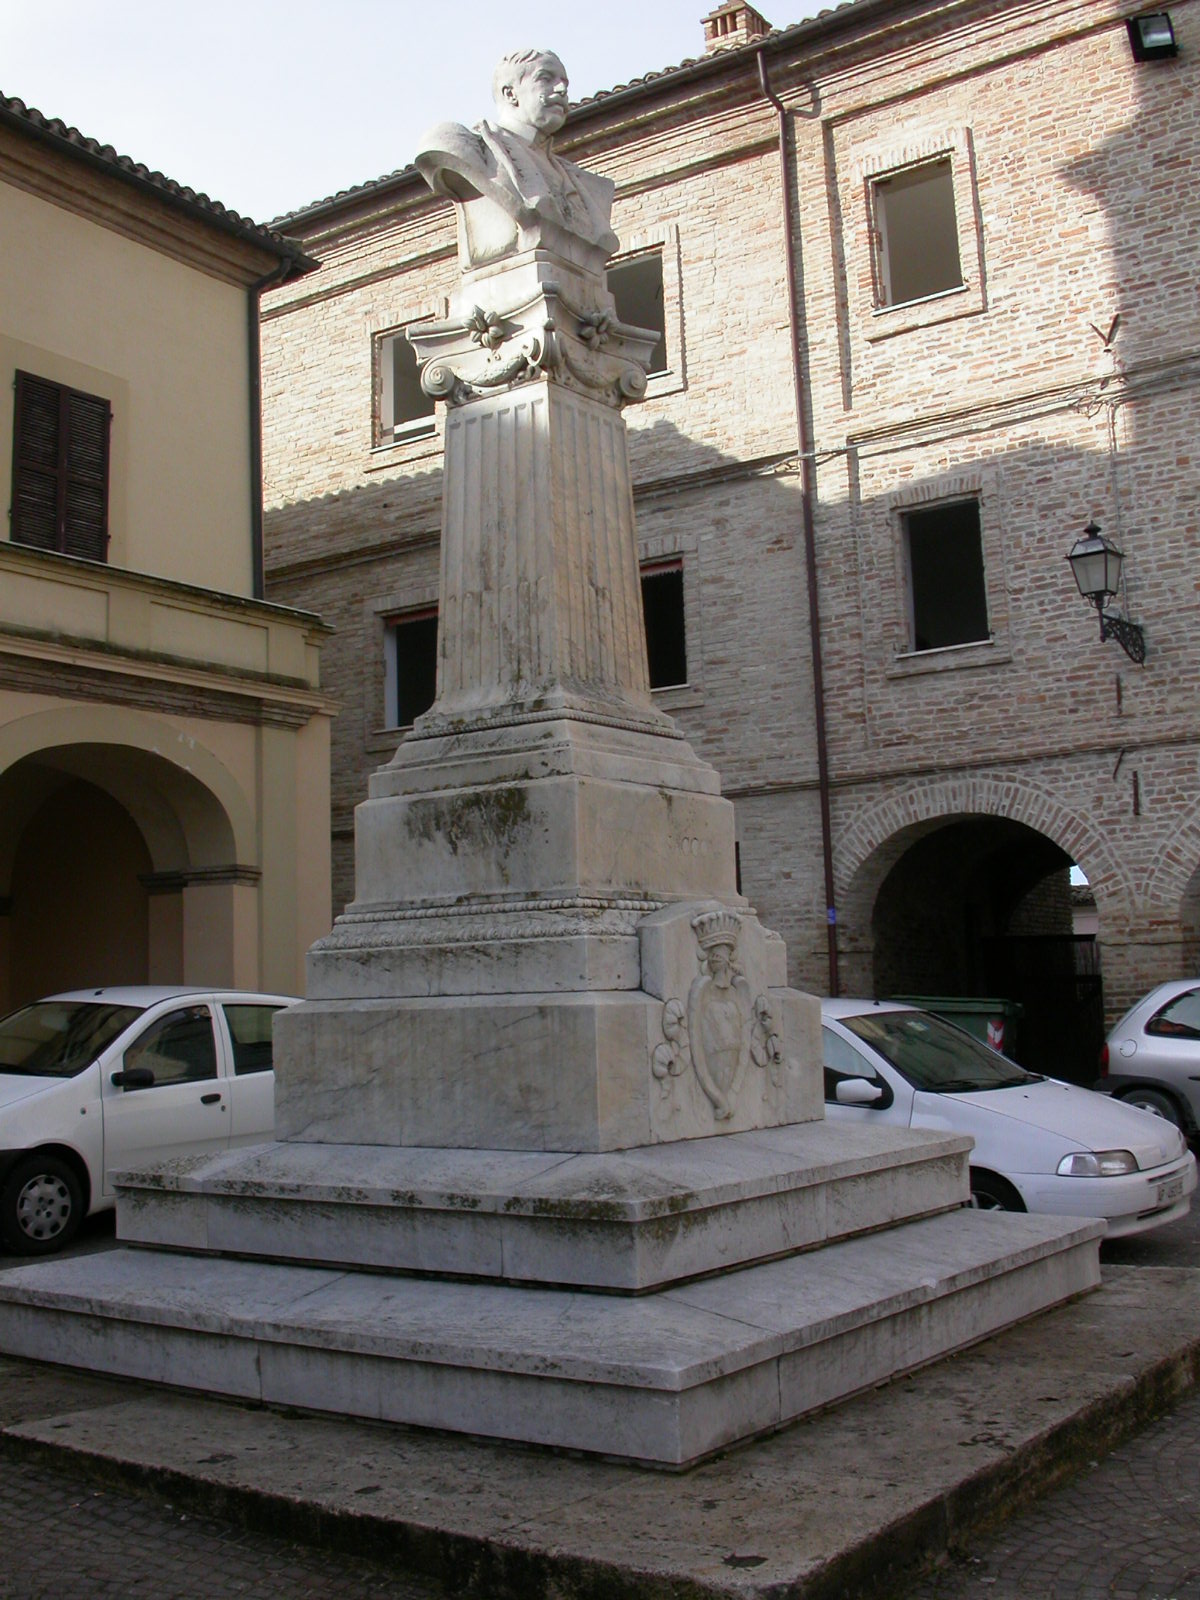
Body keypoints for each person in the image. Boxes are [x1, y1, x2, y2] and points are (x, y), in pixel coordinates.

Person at [415, 48, 619, 271]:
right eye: (546, 79)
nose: (561, 90)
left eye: (564, 83)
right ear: (510, 93)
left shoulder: (587, 184)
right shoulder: (465, 146)